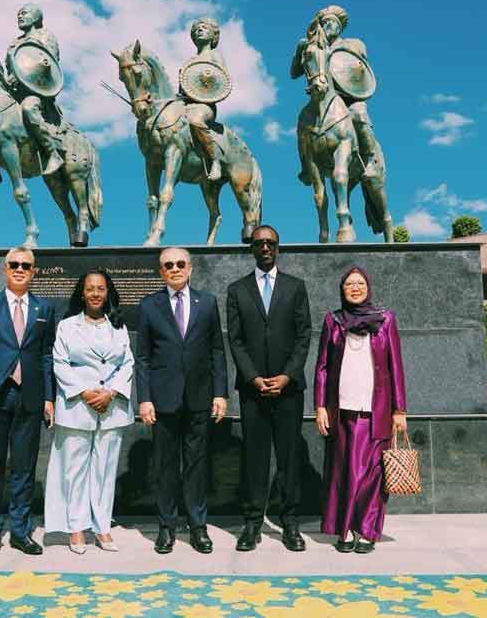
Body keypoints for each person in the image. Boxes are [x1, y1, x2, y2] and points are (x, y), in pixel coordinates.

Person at [0, 246, 57, 560]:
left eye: (26, 265)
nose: (20, 269)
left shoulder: (45, 309)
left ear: (34, 272)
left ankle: (20, 532)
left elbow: (46, 355)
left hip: (30, 397)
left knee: (24, 469)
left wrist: (49, 397)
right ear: (5, 269)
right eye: (14, 264)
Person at [135, 247, 227, 554]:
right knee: (166, 465)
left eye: (180, 263)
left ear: (190, 268)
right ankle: (167, 527)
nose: (174, 268)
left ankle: (198, 526)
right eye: (168, 265)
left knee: (196, 465)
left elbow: (217, 350)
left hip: (200, 397)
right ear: (161, 271)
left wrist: (220, 392)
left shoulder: (207, 302)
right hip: (163, 399)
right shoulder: (149, 305)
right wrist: (144, 398)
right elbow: (143, 357)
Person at [226, 225, 311, 552]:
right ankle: (252, 523)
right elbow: (235, 339)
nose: (265, 248)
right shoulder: (237, 290)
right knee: (255, 458)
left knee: (289, 458)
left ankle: (290, 523)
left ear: (278, 248)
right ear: (252, 248)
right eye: (259, 243)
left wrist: (287, 375)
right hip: (253, 390)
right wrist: (253, 377)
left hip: (289, 390)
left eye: (270, 243)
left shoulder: (295, 287)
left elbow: (304, 335)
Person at [313, 265, 407, 554]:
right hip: (342, 410)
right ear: (342, 290)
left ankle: (366, 531)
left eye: (360, 283)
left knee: (372, 475)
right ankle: (345, 529)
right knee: (345, 471)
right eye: (349, 284)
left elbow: (395, 366)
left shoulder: (385, 319)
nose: (355, 288)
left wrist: (399, 410)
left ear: (368, 287)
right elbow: (322, 367)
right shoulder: (333, 321)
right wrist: (320, 406)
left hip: (376, 411)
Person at [45, 269, 134, 554]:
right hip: (77, 406)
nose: (96, 293)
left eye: (101, 289)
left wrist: (111, 392)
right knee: (74, 471)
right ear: (82, 294)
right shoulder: (67, 326)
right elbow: (60, 363)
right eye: (90, 288)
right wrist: (84, 392)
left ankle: (102, 527)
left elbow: (128, 363)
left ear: (108, 293)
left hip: (111, 408)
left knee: (105, 471)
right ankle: (76, 528)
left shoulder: (118, 326)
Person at [289, 5, 386, 186]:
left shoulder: (352, 44)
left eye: (331, 22)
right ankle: (306, 166)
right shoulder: (314, 46)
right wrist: (299, 51)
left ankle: (370, 158)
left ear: (339, 27)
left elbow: (359, 70)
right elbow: (294, 73)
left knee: (359, 113)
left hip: (348, 99)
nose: (327, 26)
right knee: (302, 120)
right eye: (324, 23)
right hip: (322, 98)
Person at [4, 3, 65, 176]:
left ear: (36, 17)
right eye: (18, 14)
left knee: (29, 108)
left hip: (36, 91)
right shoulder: (15, 43)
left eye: (24, 13)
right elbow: (10, 66)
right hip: (15, 91)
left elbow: (48, 62)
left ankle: (52, 152)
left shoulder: (45, 36)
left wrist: (23, 75)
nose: (20, 16)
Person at [179, 17, 230, 181]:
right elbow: (183, 88)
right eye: (196, 29)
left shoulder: (215, 56)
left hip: (205, 105)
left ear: (214, 35)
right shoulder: (190, 62)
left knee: (195, 120)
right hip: (186, 104)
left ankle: (215, 160)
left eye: (204, 27)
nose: (199, 30)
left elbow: (221, 79)